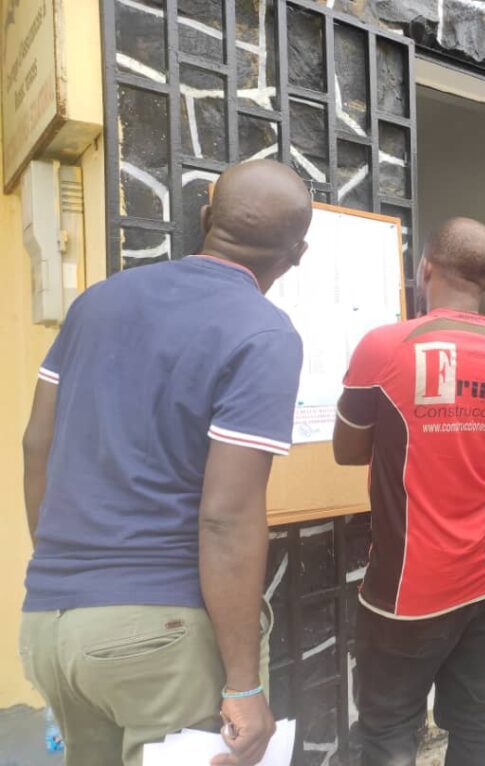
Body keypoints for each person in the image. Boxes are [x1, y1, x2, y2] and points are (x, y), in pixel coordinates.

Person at [19, 160, 312, 766]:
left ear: (205, 219)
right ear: (297, 254)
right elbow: (226, 518)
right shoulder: (263, 334)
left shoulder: (96, 302)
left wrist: (64, 575)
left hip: (49, 623)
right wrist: (243, 686)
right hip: (159, 636)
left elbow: (35, 445)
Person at [334, 217, 485, 766]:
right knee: (471, 711)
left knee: (388, 728)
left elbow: (348, 450)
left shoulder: (385, 345)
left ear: (425, 269)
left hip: (407, 588)